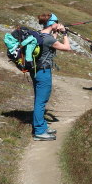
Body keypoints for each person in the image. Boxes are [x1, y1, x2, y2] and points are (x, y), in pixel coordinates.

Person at [31, 12, 72, 141]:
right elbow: (67, 48)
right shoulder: (48, 39)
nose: (58, 24)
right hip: (43, 72)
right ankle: (39, 131)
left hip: (36, 70)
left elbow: (50, 41)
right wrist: (65, 33)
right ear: (51, 23)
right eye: (56, 22)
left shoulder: (39, 34)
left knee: (39, 100)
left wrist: (57, 32)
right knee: (41, 102)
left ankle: (42, 126)